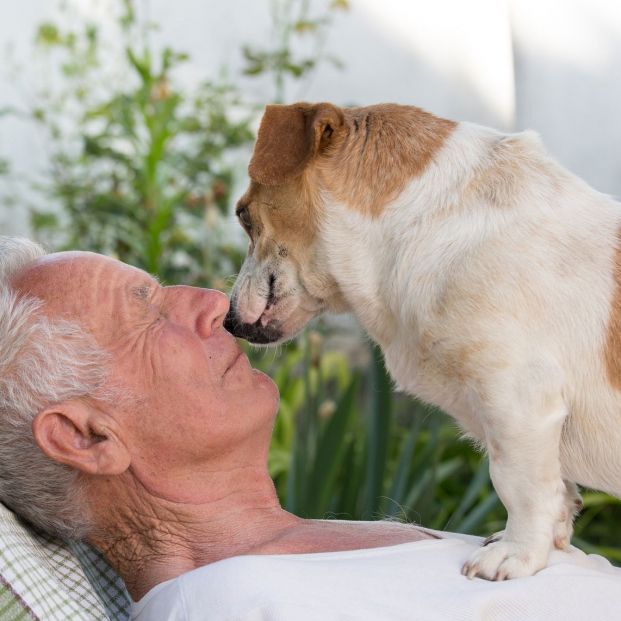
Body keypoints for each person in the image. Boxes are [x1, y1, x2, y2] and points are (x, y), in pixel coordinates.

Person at [0, 235, 619, 621]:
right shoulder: (228, 608)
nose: (213, 301)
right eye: (147, 311)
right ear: (87, 437)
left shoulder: (291, 563)